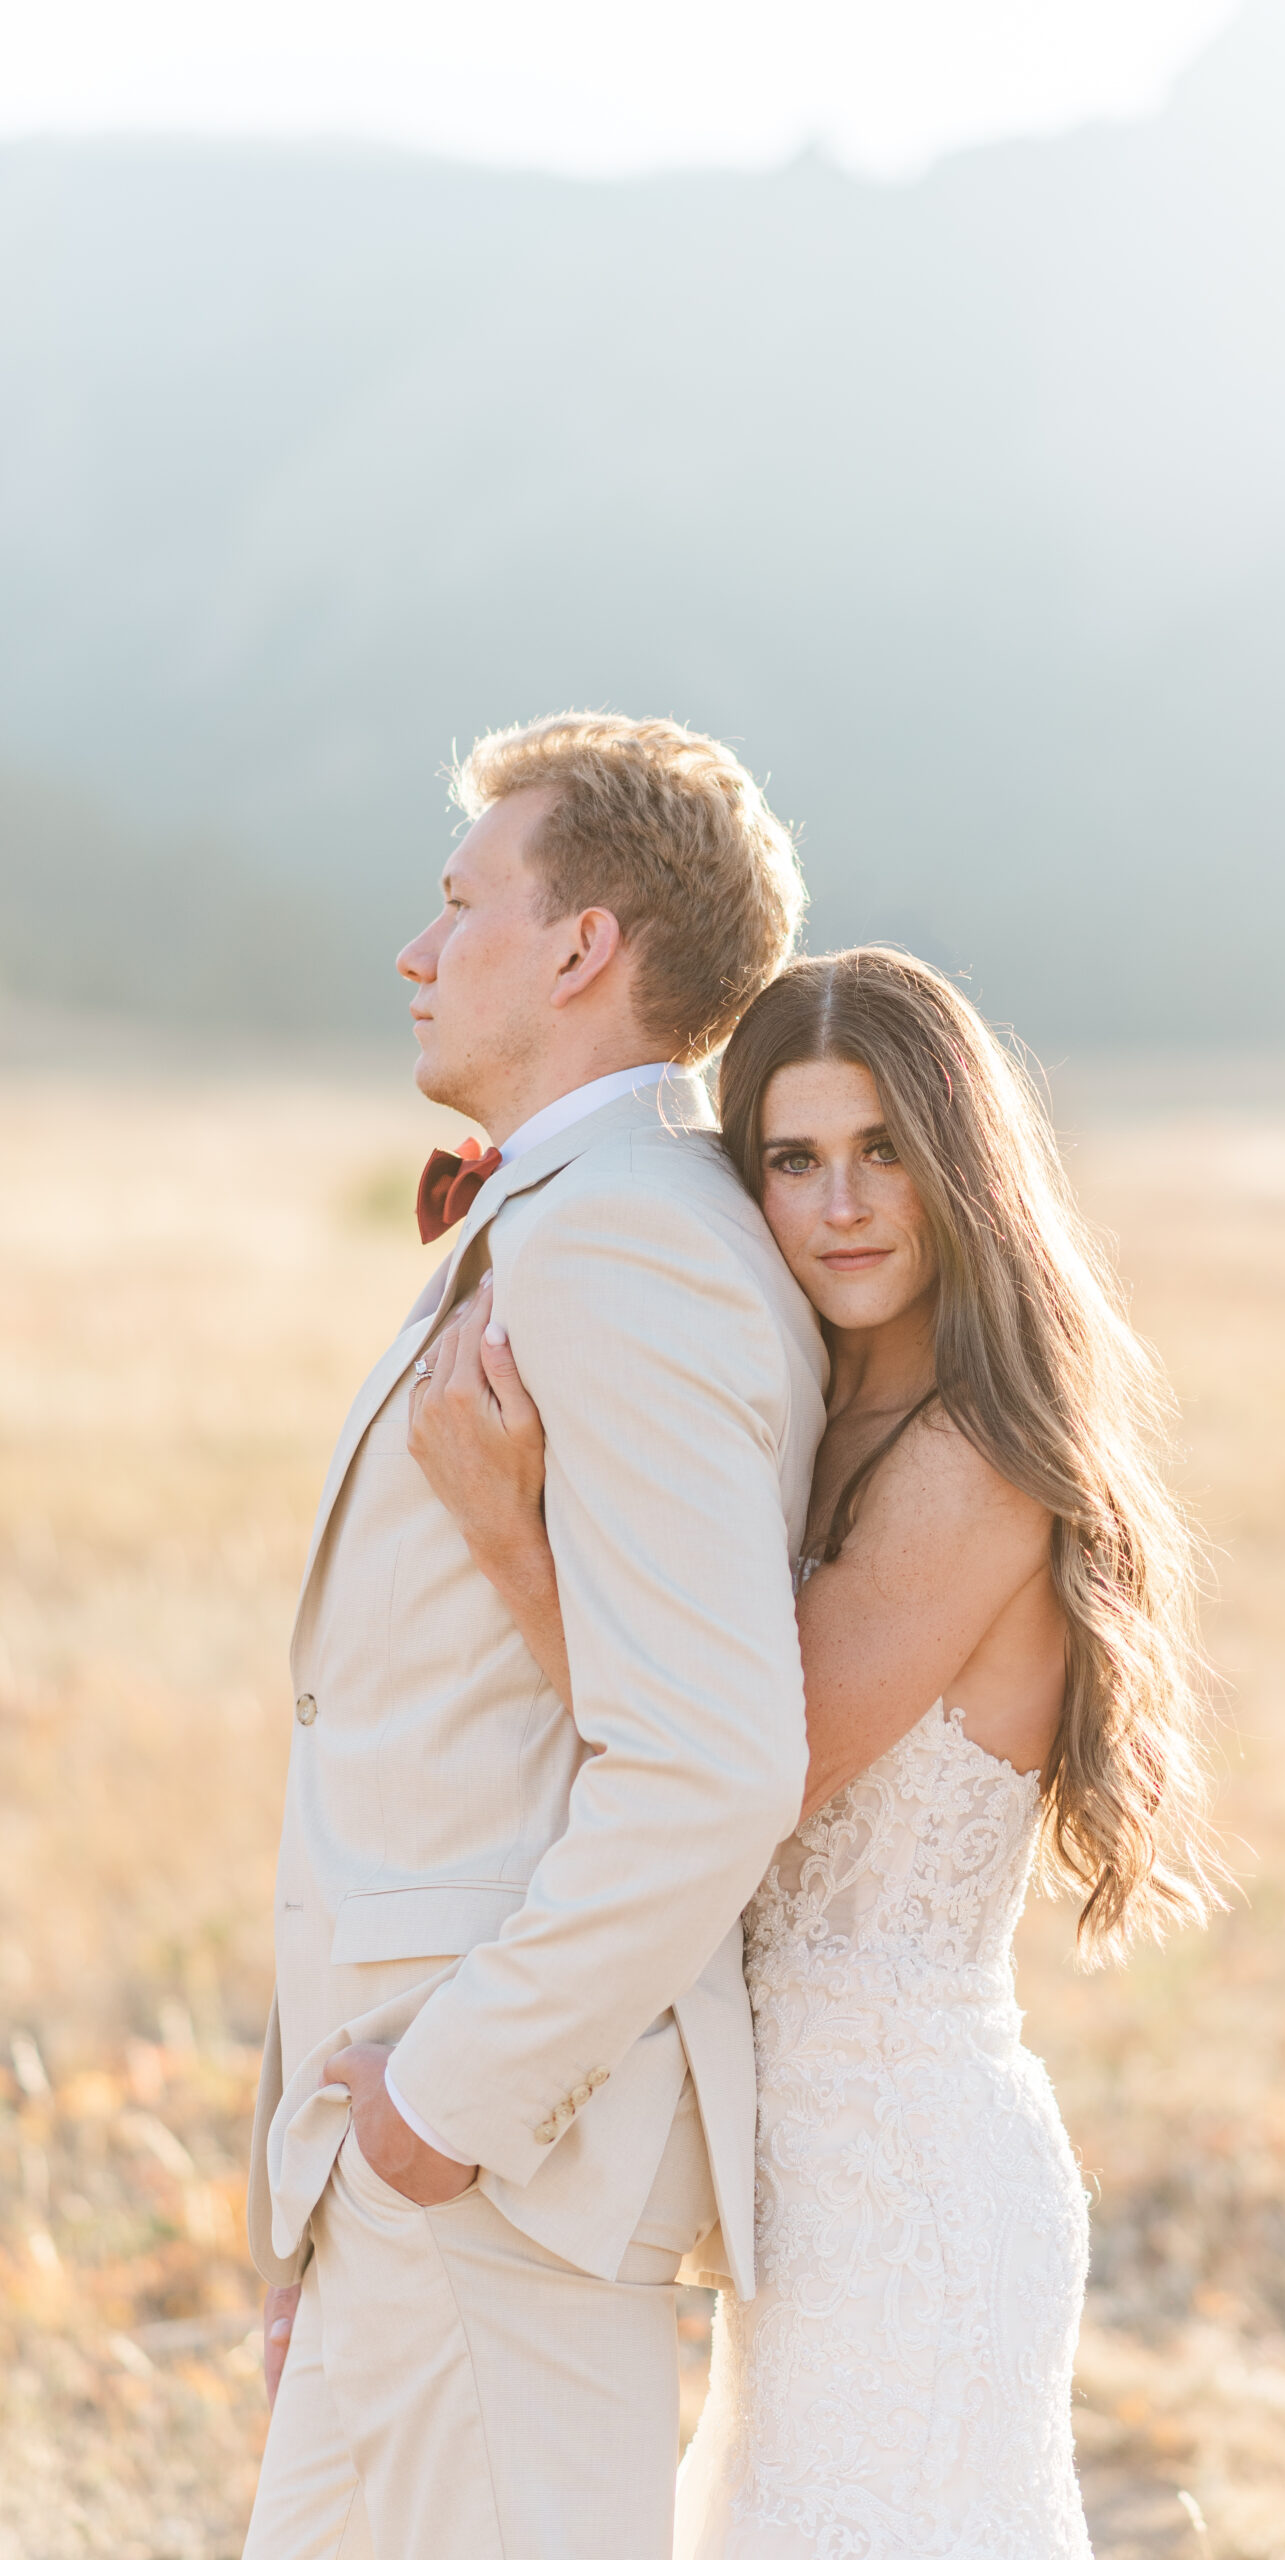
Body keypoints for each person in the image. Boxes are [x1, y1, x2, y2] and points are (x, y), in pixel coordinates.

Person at [412, 944, 1220, 2559]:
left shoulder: (977, 1459)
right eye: (792, 1159)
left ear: (959, 1171)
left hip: (905, 2185)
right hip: (790, 2193)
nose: (841, 1204)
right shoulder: (808, 1415)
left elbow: (736, 1778)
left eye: (884, 1154)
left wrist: (511, 1537)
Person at [244, 710, 826, 2560]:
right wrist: (323, 2191)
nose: (417, 952)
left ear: (583, 947)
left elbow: (713, 1761)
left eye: (458, 903)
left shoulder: (624, 1245)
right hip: (403, 2164)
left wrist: (443, 2105)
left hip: (496, 2154)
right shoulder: (588, 1216)